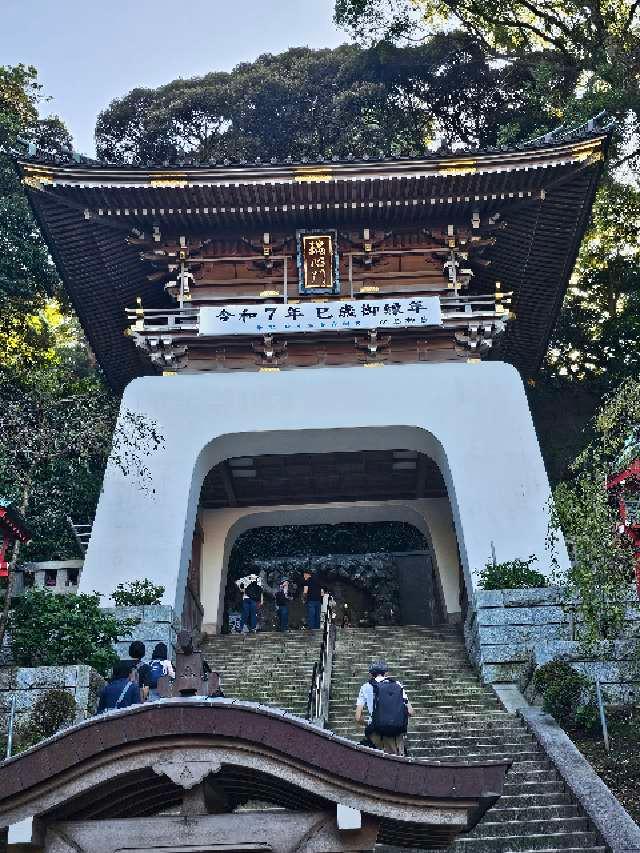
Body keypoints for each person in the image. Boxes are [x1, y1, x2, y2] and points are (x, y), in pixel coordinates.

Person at [355, 660, 413, 756]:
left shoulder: (365, 687)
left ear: (371, 674)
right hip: (397, 734)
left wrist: (369, 723)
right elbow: (410, 711)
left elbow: (358, 717)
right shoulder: (397, 685)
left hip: (377, 733)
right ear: (385, 672)